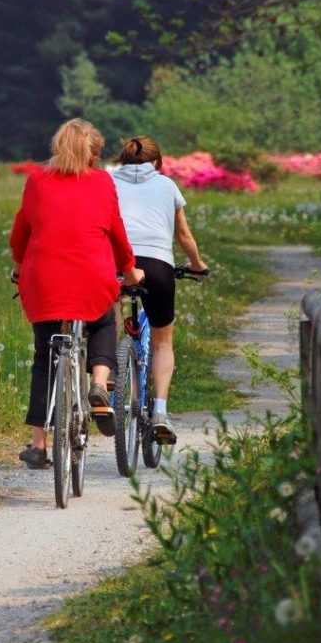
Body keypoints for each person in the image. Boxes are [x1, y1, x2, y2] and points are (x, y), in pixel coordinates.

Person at [9, 118, 145, 469]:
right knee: (102, 322)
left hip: (44, 280)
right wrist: (130, 271)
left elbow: (21, 232)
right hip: (92, 278)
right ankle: (99, 384)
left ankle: (39, 444)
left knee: (45, 358)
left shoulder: (36, 180)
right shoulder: (102, 182)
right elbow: (116, 234)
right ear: (94, 153)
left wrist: (21, 265)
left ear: (57, 148)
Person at [111, 135, 208, 443]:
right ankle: (161, 412)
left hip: (117, 261)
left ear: (122, 160)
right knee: (163, 341)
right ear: (158, 163)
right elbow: (183, 234)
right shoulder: (167, 185)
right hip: (157, 265)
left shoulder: (108, 181)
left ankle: (110, 368)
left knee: (110, 307)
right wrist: (197, 264)